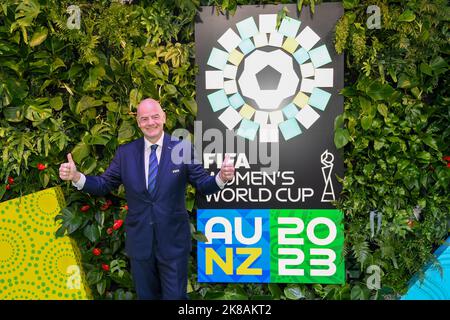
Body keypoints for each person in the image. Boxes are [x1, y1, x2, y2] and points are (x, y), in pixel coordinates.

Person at [59, 98, 235, 300]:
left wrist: (221, 177)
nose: (150, 122)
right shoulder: (125, 153)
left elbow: (203, 184)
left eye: (155, 117)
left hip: (173, 243)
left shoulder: (183, 149)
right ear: (138, 123)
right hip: (140, 242)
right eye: (144, 119)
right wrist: (76, 177)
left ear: (164, 118)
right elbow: (103, 184)